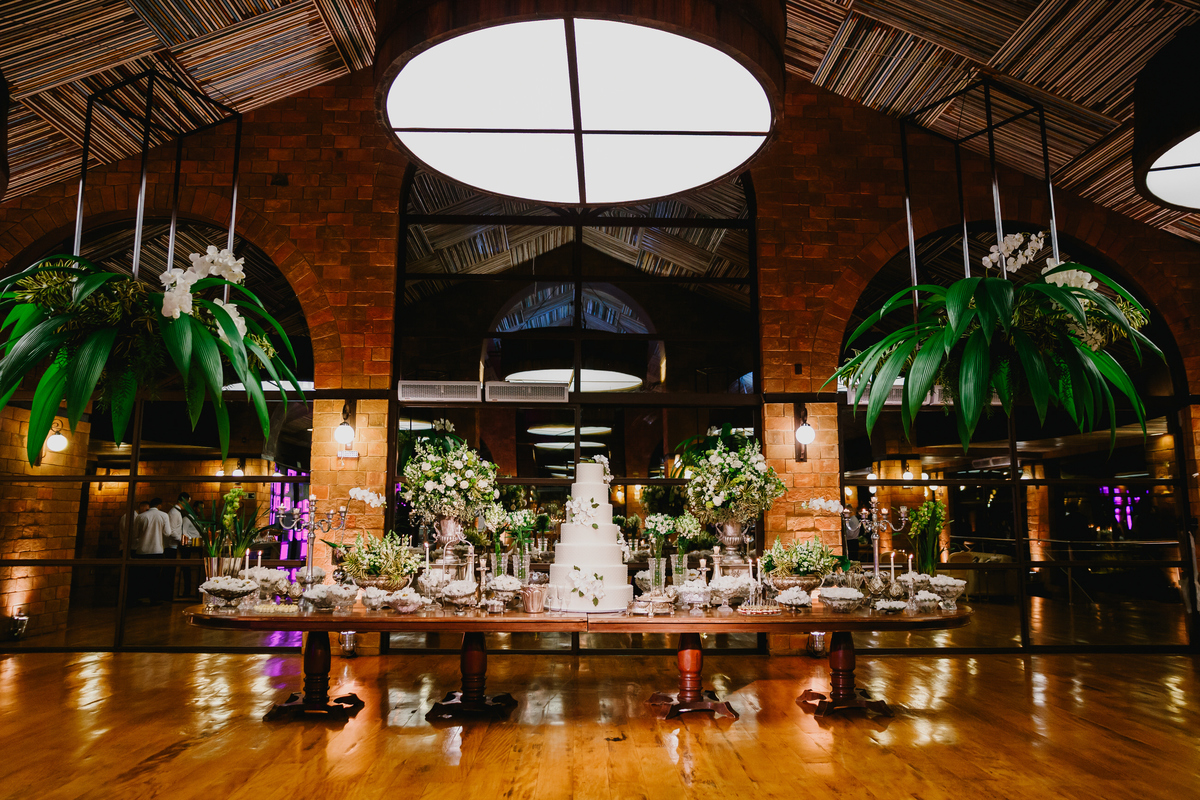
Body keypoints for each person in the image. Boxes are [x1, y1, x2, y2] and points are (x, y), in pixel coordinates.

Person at [132, 498, 172, 604]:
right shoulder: (164, 515)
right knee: (155, 576)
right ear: (159, 506)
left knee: (141, 576)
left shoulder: (141, 516)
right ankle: (153, 598)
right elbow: (167, 533)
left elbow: (135, 534)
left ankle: (140, 597)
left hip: (142, 550)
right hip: (157, 549)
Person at [168, 492, 201, 596]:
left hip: (177, 544)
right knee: (174, 572)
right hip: (173, 546)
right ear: (184, 501)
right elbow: (174, 531)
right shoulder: (175, 513)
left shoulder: (178, 513)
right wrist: (185, 541)